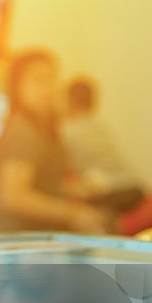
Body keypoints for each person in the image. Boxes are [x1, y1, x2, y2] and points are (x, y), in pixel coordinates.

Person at [0, 50, 110, 233]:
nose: (48, 87)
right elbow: (14, 196)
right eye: (38, 80)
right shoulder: (23, 131)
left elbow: (46, 182)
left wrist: (75, 189)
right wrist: (74, 214)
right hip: (21, 241)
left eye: (52, 78)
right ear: (17, 86)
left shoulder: (46, 128)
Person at [62, 76, 145, 212]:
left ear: (68, 101)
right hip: (134, 187)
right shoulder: (100, 126)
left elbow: (65, 171)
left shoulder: (69, 131)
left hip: (114, 193)